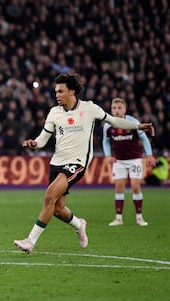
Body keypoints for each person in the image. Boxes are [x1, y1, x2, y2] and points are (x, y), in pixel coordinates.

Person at [13, 73, 155, 254]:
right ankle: (79, 224)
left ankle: (30, 241)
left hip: (77, 162)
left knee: (49, 196)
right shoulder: (54, 112)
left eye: (60, 91)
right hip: (57, 162)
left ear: (71, 91)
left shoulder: (89, 108)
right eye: (56, 91)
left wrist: (138, 126)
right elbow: (42, 139)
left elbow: (113, 121)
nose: (57, 95)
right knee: (57, 208)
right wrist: (34, 144)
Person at [102, 97, 156, 227]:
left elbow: (144, 138)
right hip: (119, 161)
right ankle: (118, 219)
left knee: (135, 187)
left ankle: (139, 217)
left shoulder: (132, 122)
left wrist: (149, 155)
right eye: (114, 108)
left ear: (125, 109)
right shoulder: (108, 125)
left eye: (120, 108)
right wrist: (108, 155)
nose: (117, 110)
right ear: (111, 110)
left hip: (135, 159)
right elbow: (106, 141)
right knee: (119, 188)